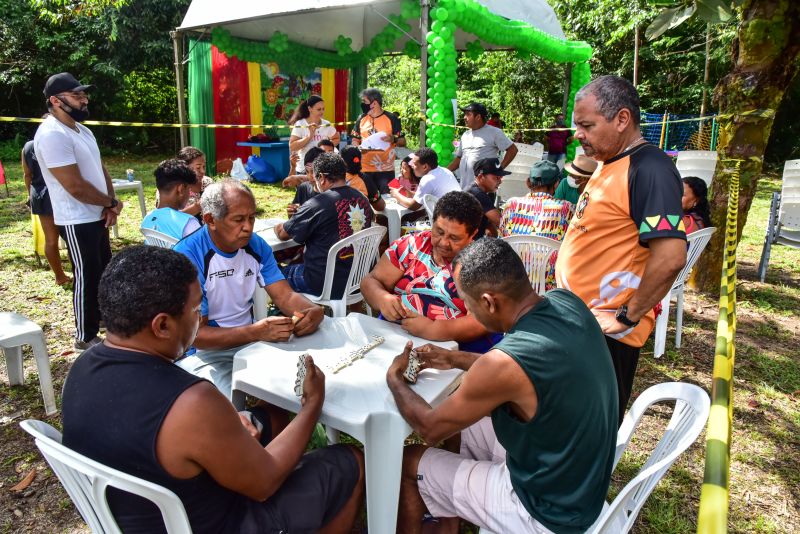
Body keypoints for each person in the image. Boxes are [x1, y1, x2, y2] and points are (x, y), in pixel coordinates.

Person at [61, 245, 365, 533]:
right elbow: (265, 483)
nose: (200, 318)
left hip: (139, 514)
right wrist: (312, 404)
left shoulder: (81, 369)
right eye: (196, 310)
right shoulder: (191, 402)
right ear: (162, 325)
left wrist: (224, 427)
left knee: (271, 417)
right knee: (350, 460)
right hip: (221, 522)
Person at [387, 238, 618, 534]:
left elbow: (430, 428)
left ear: (488, 302)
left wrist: (394, 379)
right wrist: (454, 358)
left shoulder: (504, 364)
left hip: (543, 511)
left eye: (467, 304)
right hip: (577, 478)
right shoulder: (567, 302)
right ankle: (449, 522)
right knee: (463, 423)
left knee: (410, 461)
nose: (468, 311)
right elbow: (529, 370)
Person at [556, 75, 687, 424]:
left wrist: (627, 314)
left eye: (586, 125)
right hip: (580, 321)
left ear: (622, 119)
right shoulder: (608, 162)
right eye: (576, 126)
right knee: (566, 421)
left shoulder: (650, 169)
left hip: (605, 332)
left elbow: (671, 255)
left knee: (588, 429)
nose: (578, 134)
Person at [173, 179, 325, 398]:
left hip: (251, 342)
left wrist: (313, 310)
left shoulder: (255, 245)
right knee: (231, 412)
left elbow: (285, 295)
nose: (248, 227)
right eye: (238, 220)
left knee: (298, 387)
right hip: (204, 354)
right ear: (210, 220)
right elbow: (196, 336)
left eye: (252, 218)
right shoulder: (188, 256)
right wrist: (256, 331)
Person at [34, 72, 124, 351]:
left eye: (84, 93)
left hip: (97, 214)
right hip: (75, 217)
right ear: (55, 101)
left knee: (104, 271)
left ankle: (107, 322)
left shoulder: (82, 130)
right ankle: (85, 336)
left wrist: (111, 201)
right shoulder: (51, 134)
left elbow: (100, 169)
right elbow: (73, 185)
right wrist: (108, 204)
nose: (84, 99)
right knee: (86, 275)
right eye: (76, 95)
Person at [361, 191, 500, 353]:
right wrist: (381, 298)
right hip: (398, 336)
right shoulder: (411, 245)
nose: (443, 243)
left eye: (454, 238)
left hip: (453, 349)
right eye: (439, 232)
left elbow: (481, 321)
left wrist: (433, 329)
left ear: (473, 234)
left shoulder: (480, 262)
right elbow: (371, 281)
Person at [274, 153, 375, 298]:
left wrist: (275, 226)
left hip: (321, 282)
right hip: (357, 279)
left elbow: (283, 234)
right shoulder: (362, 199)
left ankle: (289, 313)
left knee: (275, 273)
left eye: (315, 178)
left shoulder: (318, 203)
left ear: (321, 177)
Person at [500, 160, 575, 290]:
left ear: (528, 182)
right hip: (549, 285)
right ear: (556, 184)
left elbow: (501, 240)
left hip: (513, 281)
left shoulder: (510, 205)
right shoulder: (566, 209)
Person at [22, 127, 71, 285]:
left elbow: (27, 174)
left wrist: (30, 195)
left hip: (39, 195)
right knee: (71, 238)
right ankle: (76, 272)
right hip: (58, 193)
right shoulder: (56, 141)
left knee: (50, 239)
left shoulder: (27, 147)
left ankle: (59, 276)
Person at [447, 102, 517, 190]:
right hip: (464, 188)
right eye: (465, 114)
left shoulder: (494, 132)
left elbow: (513, 150)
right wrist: (445, 172)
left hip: (484, 190)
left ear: (478, 117)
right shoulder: (465, 135)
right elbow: (459, 158)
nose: (464, 117)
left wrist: (499, 169)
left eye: (468, 114)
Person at [350, 88, 406, 194]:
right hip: (364, 169)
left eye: (364, 102)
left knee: (389, 201)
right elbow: (355, 139)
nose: (362, 105)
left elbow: (403, 141)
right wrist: (356, 146)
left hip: (386, 171)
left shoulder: (392, 118)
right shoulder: (361, 118)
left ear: (374, 103)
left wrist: (393, 139)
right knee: (366, 201)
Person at [141, 159, 202, 240]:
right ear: (180, 189)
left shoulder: (147, 219)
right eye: (189, 189)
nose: (189, 193)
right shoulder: (189, 224)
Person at [390, 148, 459, 211]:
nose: (412, 166)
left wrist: (396, 194)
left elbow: (413, 206)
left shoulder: (427, 179)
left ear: (425, 167)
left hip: (450, 218)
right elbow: (424, 195)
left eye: (414, 164)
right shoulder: (445, 170)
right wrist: (409, 193)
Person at [289, 95, 340, 173]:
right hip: (304, 168)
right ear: (310, 109)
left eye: (323, 109)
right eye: (319, 109)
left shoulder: (326, 124)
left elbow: (336, 138)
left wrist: (326, 148)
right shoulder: (300, 123)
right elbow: (292, 146)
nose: (322, 112)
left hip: (322, 168)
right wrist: (309, 136)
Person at [467, 158, 508, 237]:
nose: (500, 181)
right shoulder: (478, 194)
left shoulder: (477, 191)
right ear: (481, 177)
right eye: (496, 177)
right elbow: (503, 223)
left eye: (501, 177)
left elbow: (489, 223)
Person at [340, 145, 385, 211]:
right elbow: (380, 206)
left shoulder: (334, 177)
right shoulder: (365, 179)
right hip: (359, 219)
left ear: (342, 160)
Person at [285, 147, 325, 217]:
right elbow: (293, 218)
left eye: (314, 171)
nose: (310, 176)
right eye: (307, 171)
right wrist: (291, 212)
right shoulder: (303, 188)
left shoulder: (330, 193)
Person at [175, 146, 212, 218]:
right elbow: (172, 217)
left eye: (204, 167)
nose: (203, 171)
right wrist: (198, 206)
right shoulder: (173, 188)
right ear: (184, 167)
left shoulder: (208, 182)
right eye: (198, 168)